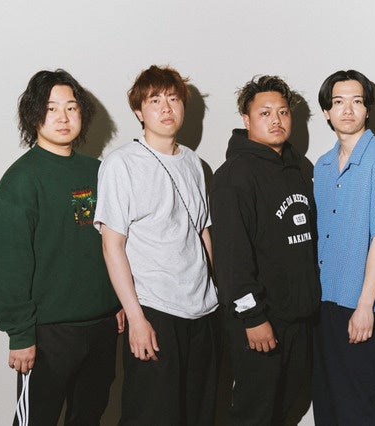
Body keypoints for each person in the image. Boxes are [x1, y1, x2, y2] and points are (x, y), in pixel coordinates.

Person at [0, 69, 123, 425]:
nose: (63, 117)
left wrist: (117, 302)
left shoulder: (98, 171)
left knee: (89, 417)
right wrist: (20, 334)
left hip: (102, 327)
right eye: (51, 108)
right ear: (34, 115)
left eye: (71, 108)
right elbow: (8, 266)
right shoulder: (20, 181)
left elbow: (109, 244)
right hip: (48, 334)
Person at [94, 65, 219, 425]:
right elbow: (112, 245)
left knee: (198, 415)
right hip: (155, 310)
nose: (166, 108)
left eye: (173, 99)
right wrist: (136, 318)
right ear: (139, 112)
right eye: (154, 100)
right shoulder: (121, 164)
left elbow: (202, 232)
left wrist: (216, 293)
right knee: (151, 415)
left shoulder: (194, 162)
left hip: (204, 312)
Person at [210, 75, 320, 426]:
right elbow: (231, 259)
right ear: (246, 119)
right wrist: (253, 318)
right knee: (254, 413)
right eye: (265, 113)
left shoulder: (298, 169)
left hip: (299, 319)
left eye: (283, 112)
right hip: (260, 321)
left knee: (287, 408)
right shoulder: (233, 176)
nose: (276, 120)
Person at [312, 70, 375, 425]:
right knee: (329, 403)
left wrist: (366, 306)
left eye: (356, 101)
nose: (347, 110)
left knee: (364, 407)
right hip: (323, 302)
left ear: (368, 109)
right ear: (327, 111)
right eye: (338, 102)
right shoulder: (322, 165)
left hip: (360, 304)